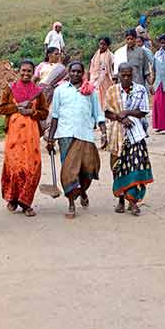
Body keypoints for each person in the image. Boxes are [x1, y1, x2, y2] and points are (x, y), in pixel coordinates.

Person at [47, 61, 107, 219]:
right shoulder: (60, 91)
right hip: (65, 135)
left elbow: (98, 113)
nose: (75, 74)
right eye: (73, 71)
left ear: (83, 73)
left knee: (87, 170)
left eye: (79, 72)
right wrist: (50, 138)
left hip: (86, 135)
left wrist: (104, 132)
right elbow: (55, 116)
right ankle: (71, 204)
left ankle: (83, 191)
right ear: (68, 72)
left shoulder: (90, 91)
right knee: (69, 171)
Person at [0, 60, 49, 217]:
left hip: (31, 135)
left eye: (29, 71)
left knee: (32, 167)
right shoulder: (10, 89)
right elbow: (1, 108)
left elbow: (44, 112)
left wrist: (32, 113)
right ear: (18, 71)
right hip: (14, 135)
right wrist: (17, 107)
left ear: (33, 73)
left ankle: (26, 202)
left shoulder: (37, 91)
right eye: (23, 70)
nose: (26, 73)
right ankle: (12, 199)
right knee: (14, 166)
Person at [105, 63, 153, 216]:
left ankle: (132, 201)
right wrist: (120, 118)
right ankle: (120, 199)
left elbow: (143, 111)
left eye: (129, 75)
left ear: (132, 75)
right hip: (117, 135)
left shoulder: (140, 89)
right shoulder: (112, 91)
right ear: (118, 75)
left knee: (136, 167)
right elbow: (107, 113)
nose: (126, 78)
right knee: (117, 167)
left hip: (135, 134)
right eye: (123, 75)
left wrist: (127, 112)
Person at [89, 37, 114, 110]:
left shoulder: (111, 56)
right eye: (100, 44)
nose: (102, 46)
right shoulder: (96, 55)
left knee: (106, 97)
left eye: (104, 44)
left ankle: (105, 112)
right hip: (95, 80)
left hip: (106, 80)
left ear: (108, 45)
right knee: (96, 97)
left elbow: (112, 68)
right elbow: (91, 67)